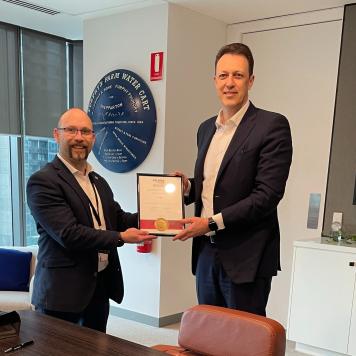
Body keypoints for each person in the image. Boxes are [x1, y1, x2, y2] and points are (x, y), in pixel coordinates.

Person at [173, 43, 292, 316]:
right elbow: (214, 183)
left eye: (237, 76)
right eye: (223, 75)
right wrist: (188, 186)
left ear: (250, 81)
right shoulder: (206, 129)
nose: (229, 83)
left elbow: (267, 195)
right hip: (205, 253)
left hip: (247, 257)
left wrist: (211, 223)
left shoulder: (271, 125)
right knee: (208, 335)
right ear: (214, 80)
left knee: (243, 340)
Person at [26, 108, 156, 332]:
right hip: (61, 295)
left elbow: (118, 218)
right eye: (72, 130)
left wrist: (160, 216)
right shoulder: (43, 181)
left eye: (86, 131)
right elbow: (69, 234)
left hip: (98, 288)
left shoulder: (98, 181)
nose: (79, 137)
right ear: (57, 135)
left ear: (93, 138)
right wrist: (121, 237)